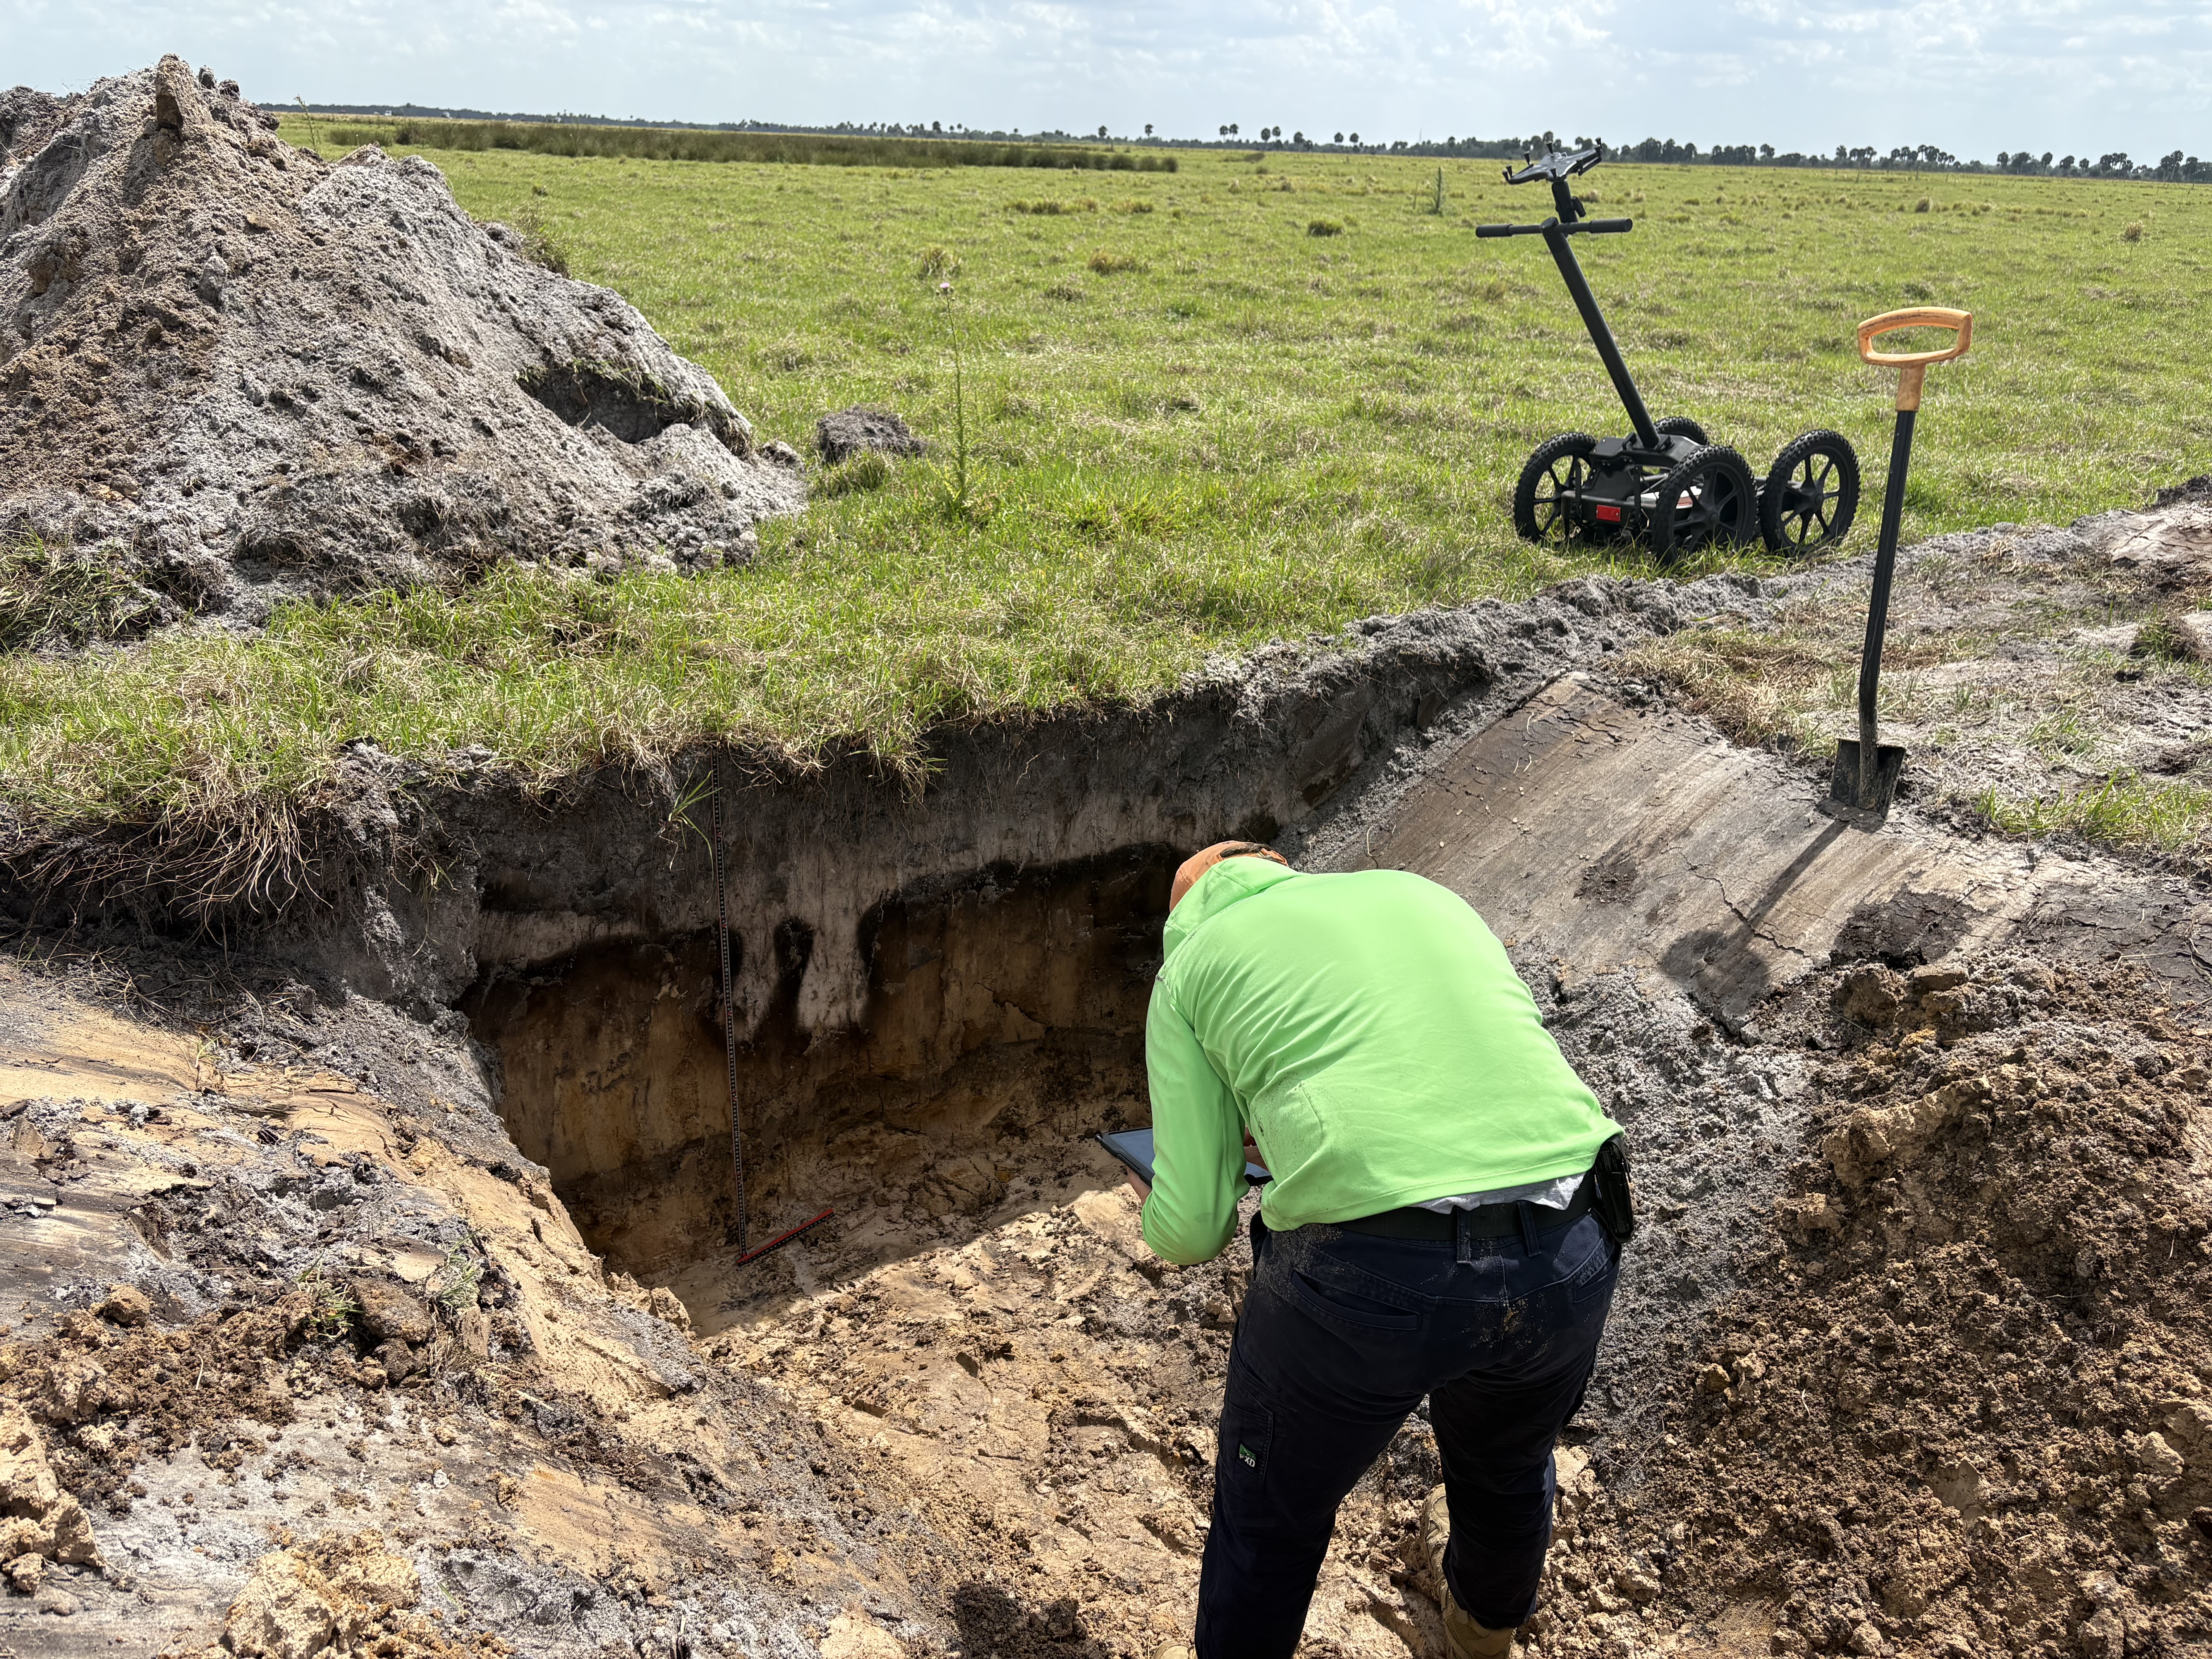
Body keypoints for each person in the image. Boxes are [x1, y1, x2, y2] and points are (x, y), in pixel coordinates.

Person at [1131, 840, 1629, 1659]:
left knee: (1272, 1517)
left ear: (1184, 917)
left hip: (1369, 1281)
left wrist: (1159, 1205)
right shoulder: (1418, 894)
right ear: (1285, 870)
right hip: (1572, 1238)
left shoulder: (1191, 968)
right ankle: (1480, 1642)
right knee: (1506, 1470)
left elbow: (1189, 1230)